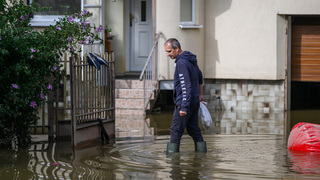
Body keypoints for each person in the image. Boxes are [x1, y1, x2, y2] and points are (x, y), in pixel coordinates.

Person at [164, 38, 207, 154]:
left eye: (169, 51)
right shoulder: (191, 59)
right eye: (166, 52)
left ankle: (173, 164)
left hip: (185, 102)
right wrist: (200, 95)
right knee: (194, 130)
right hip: (194, 101)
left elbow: (185, 85)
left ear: (177, 49)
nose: (168, 55)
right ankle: (201, 156)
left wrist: (184, 106)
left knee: (175, 131)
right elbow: (200, 78)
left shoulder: (181, 62)